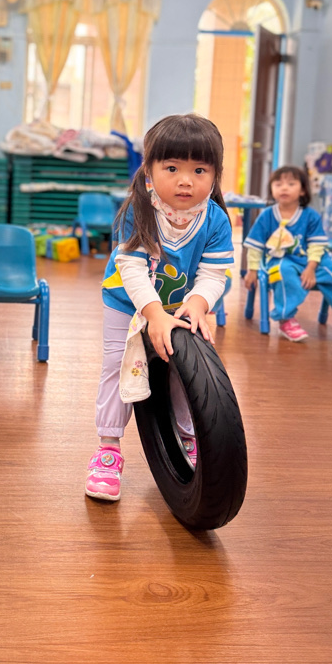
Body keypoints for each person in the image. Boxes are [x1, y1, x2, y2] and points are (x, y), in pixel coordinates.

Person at [86, 114, 234, 502]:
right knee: (117, 366)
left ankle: (190, 436)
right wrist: (153, 315)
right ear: (149, 170)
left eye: (199, 170)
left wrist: (198, 305)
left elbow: (213, 274)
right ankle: (108, 449)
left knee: (184, 370)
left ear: (215, 175)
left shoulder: (216, 220)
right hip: (125, 301)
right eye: (172, 168)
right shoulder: (139, 210)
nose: (186, 180)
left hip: (180, 304)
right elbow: (132, 269)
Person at [243, 165, 332, 344]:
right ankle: (286, 319)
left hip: (315, 262)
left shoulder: (310, 216)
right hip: (281, 260)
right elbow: (255, 246)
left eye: (291, 184)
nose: (284, 188)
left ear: (303, 190)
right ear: (271, 189)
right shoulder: (266, 215)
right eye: (278, 184)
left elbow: (316, 245)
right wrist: (252, 270)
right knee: (282, 274)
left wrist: (311, 268)